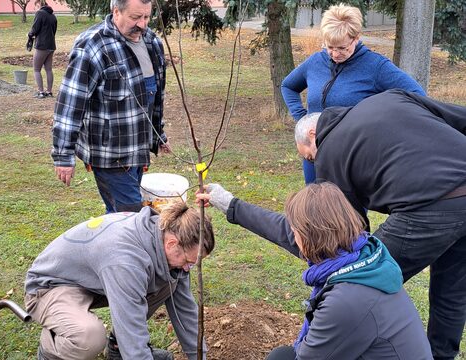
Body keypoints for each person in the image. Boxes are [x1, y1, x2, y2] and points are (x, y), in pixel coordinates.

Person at [292, 89, 466, 360]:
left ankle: (327, 343)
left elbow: (347, 234)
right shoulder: (392, 98)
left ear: (313, 135)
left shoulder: (329, 151)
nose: (314, 163)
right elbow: (459, 118)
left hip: (429, 206)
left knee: (362, 276)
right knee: (452, 289)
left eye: (310, 157)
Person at [196, 182, 432, 359]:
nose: (292, 236)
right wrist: (230, 204)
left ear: (311, 238)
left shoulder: (347, 300)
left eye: (295, 231)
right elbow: (280, 230)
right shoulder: (360, 253)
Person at [24, 201, 215, 360]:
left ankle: (117, 349)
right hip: (49, 286)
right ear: (172, 244)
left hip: (93, 280)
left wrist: (199, 356)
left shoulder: (167, 239)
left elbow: (185, 310)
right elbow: (132, 334)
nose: (187, 268)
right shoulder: (126, 261)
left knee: (169, 281)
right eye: (189, 262)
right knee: (89, 337)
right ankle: (51, 350)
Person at [281, 3, 425, 184]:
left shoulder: (376, 67)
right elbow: (288, 86)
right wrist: (302, 118)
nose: (334, 54)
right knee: (314, 208)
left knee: (351, 212)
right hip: (316, 155)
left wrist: (382, 126)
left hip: (353, 159)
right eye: (329, 46)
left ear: (356, 38)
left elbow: (417, 95)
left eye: (342, 48)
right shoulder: (316, 61)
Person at [52, 0, 171, 213]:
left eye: (146, 17)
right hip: (110, 155)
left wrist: (158, 134)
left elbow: (153, 97)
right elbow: (70, 104)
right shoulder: (93, 46)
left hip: (138, 149)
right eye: (135, 18)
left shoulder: (152, 42)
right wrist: (63, 156)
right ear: (116, 12)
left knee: (119, 218)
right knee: (132, 218)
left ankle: (108, 244)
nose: (143, 25)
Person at [28, 3, 57, 99]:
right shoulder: (53, 16)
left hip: (42, 46)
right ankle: (49, 92)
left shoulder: (40, 13)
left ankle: (41, 92)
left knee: (36, 69)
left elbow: (35, 28)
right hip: (51, 45)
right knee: (48, 69)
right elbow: (54, 31)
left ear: (41, 7)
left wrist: (30, 34)